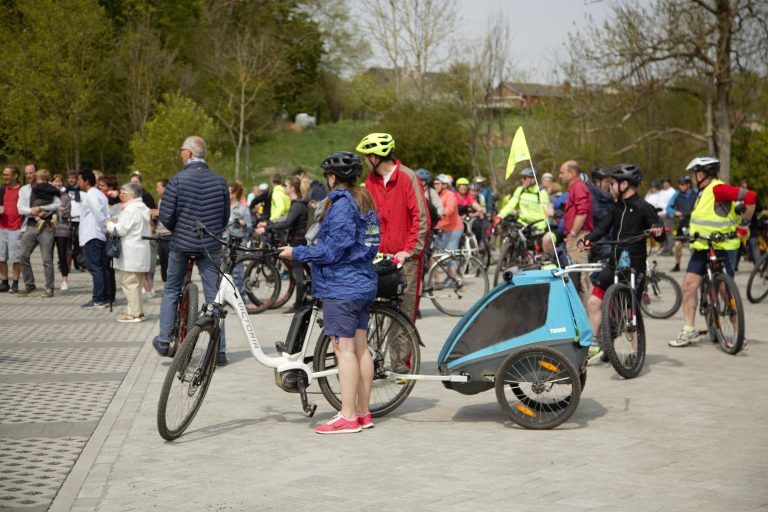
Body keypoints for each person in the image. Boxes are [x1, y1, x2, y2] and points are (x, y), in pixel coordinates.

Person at [281, 152, 380, 434]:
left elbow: (333, 250)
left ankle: (347, 416)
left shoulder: (341, 206)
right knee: (361, 349)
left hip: (342, 286)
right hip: (362, 283)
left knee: (344, 350)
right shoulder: (365, 202)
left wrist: (296, 251)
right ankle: (363, 412)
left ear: (333, 178)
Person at [154, 136, 230, 365]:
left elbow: (166, 217)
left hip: (181, 244)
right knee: (213, 297)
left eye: (181, 151)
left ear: (187, 153)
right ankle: (219, 351)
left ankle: (165, 340)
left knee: (171, 290)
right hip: (210, 244)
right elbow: (224, 217)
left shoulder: (177, 181)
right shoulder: (219, 182)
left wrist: (180, 228)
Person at [578, 164, 664, 360]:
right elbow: (603, 227)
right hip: (615, 261)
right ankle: (594, 344)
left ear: (625, 184)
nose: (610, 187)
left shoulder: (644, 207)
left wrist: (657, 230)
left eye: (613, 183)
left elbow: (659, 233)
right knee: (593, 302)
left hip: (635, 264)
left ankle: (635, 351)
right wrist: (588, 239)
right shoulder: (616, 207)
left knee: (630, 310)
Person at [669, 157, 757, 347]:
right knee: (689, 285)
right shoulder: (702, 192)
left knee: (726, 290)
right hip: (702, 247)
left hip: (723, 247)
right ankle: (689, 330)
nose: (691, 178)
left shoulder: (718, 188)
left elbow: (750, 197)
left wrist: (744, 225)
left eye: (693, 175)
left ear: (701, 175)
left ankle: (737, 334)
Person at [357, 132, 430, 323]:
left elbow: (421, 217)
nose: (365, 161)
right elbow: (369, 219)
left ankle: (401, 355)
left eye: (366, 157)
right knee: (374, 317)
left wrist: (410, 250)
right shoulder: (371, 181)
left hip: (405, 258)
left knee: (402, 318)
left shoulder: (407, 177)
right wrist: (368, 248)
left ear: (375, 157)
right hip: (379, 257)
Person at [257, 175, 309, 315]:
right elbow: (286, 219)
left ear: (292, 188)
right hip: (297, 240)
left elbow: (287, 223)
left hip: (297, 242)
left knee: (298, 275)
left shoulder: (297, 205)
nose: (284, 187)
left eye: (286, 185)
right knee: (300, 274)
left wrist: (266, 228)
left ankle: (299, 306)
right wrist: (268, 224)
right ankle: (303, 301)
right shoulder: (296, 203)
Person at [105, 183, 152, 322]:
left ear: (131, 195)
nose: (120, 195)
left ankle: (134, 314)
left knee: (129, 283)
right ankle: (137, 312)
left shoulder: (131, 209)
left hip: (131, 252)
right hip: (140, 250)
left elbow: (121, 229)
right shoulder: (142, 208)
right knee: (136, 284)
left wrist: (109, 225)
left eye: (123, 193)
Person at [18, 168, 60, 297]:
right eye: (28, 174)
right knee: (22, 256)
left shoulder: (49, 188)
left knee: (47, 259)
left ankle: (49, 288)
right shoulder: (24, 190)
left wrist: (40, 208)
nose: (31, 176)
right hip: (30, 225)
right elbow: (20, 209)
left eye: (33, 174)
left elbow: (57, 204)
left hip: (46, 226)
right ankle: (29, 285)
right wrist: (32, 211)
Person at [495, 167, 554, 257]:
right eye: (522, 178)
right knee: (510, 238)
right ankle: (507, 260)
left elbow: (545, 214)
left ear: (533, 179)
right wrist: (499, 216)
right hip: (522, 223)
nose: (522, 180)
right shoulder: (520, 190)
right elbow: (511, 205)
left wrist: (540, 228)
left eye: (524, 178)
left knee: (534, 251)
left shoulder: (542, 193)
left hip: (536, 225)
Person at [559, 160, 593, 301]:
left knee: (581, 277)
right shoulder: (574, 187)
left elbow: (582, 212)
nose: (559, 176)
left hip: (579, 235)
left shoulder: (578, 187)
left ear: (572, 173)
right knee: (577, 275)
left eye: (562, 172)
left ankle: (588, 317)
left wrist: (573, 233)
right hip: (574, 235)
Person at [78, 169, 111, 309]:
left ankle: (98, 299)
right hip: (98, 234)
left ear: (86, 181)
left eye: (80, 180)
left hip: (93, 235)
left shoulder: (91, 195)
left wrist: (105, 227)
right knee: (101, 267)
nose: (78, 182)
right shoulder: (99, 194)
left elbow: (99, 214)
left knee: (95, 267)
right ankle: (104, 296)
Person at [225, 180, 256, 313]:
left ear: (236, 193)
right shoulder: (225, 207)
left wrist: (243, 223)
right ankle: (227, 297)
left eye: (230, 192)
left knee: (238, 271)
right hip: (225, 242)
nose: (228, 194)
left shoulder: (242, 208)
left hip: (238, 243)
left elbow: (250, 227)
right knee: (225, 271)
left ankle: (240, 297)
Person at [129, 171, 157, 297]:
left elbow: (152, 214)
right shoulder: (131, 197)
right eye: (132, 182)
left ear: (140, 182)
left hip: (147, 232)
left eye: (136, 182)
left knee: (148, 262)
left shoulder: (146, 196)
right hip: (136, 234)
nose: (134, 184)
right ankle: (145, 287)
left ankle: (149, 287)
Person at [0, 166, 23, 293]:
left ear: (15, 176)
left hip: (16, 228)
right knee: (1, 257)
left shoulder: (22, 190)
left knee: (16, 257)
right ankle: (4, 282)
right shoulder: (2, 189)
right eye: (4, 174)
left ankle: (15, 282)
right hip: (1, 227)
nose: (5, 177)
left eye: (7, 175)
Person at [666, 176, 696, 272]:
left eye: (682, 184)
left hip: (694, 223)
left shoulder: (696, 193)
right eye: (679, 184)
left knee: (694, 245)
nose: (680, 186)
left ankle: (694, 266)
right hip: (682, 223)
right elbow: (668, 207)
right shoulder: (677, 194)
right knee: (678, 245)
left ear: (688, 185)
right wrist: (675, 213)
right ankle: (677, 264)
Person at [51, 174, 72, 291]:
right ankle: (50, 281)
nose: (57, 184)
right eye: (55, 181)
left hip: (62, 229)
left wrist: (54, 209)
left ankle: (64, 280)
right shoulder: (48, 195)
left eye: (59, 182)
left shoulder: (66, 196)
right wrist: (58, 208)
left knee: (62, 255)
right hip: (49, 228)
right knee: (48, 257)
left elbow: (66, 212)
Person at [65, 170, 85, 272]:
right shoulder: (64, 190)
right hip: (67, 220)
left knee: (79, 243)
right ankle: (66, 265)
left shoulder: (81, 192)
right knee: (67, 244)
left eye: (73, 178)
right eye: (69, 178)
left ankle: (80, 263)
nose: (71, 180)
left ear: (77, 180)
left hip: (79, 220)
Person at [152, 178, 171, 282]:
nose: (156, 189)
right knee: (162, 261)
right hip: (160, 234)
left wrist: (158, 213)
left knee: (169, 261)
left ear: (165, 187)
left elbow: (171, 215)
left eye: (158, 187)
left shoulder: (171, 200)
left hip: (169, 235)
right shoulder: (160, 200)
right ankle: (166, 282)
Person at [657, 177, 677, 255]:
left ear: (669, 183)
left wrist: (672, 213)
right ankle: (665, 248)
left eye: (666, 183)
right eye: (663, 183)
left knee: (668, 233)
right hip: (660, 215)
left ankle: (670, 249)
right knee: (662, 233)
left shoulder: (672, 191)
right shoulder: (661, 192)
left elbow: (674, 204)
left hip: (667, 215)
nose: (665, 184)